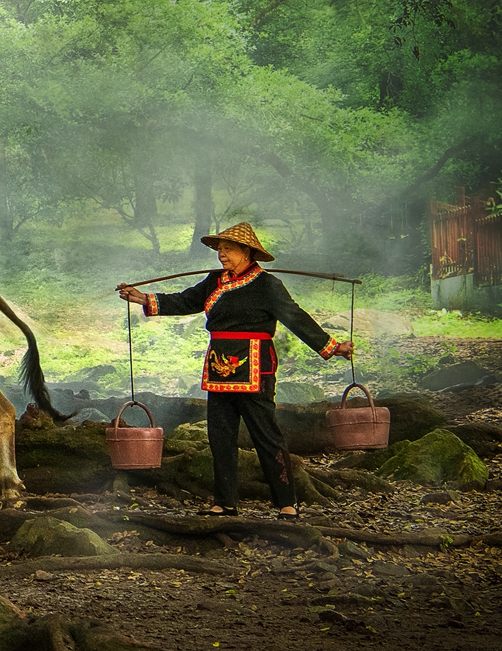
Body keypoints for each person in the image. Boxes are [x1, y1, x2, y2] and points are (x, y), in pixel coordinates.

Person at [116, 222, 354, 519]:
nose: (221, 254)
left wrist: (332, 347)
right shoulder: (214, 281)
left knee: (266, 436)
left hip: (255, 369)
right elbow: (186, 300)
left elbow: (296, 318)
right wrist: (143, 298)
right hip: (218, 368)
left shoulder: (268, 285)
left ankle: (286, 502)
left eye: (228, 249)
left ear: (247, 253)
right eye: (220, 249)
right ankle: (225, 502)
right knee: (220, 436)